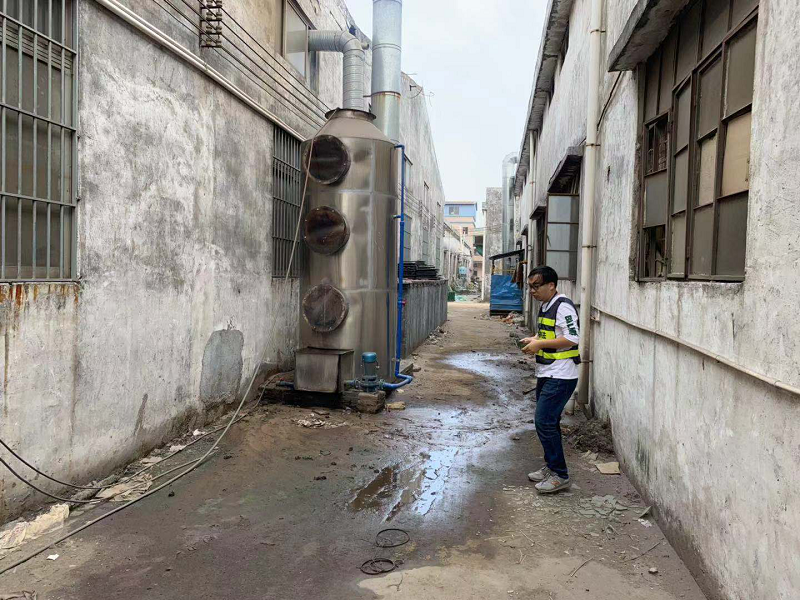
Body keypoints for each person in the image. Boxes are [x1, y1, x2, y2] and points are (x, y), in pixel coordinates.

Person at [519, 266, 581, 494]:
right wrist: (534, 339)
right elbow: (549, 334)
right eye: (530, 287)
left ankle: (560, 475)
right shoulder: (546, 306)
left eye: (536, 286)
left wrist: (540, 344)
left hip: (562, 375)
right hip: (547, 372)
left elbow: (572, 338)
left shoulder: (563, 306)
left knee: (544, 422)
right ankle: (552, 467)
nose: (532, 291)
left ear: (551, 285)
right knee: (549, 422)